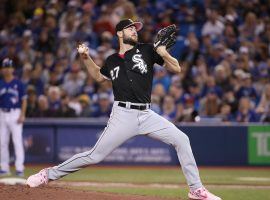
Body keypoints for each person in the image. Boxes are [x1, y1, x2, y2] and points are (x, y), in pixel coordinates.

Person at [26, 19, 221, 200]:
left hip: (147, 114)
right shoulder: (112, 60)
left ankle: (196, 189)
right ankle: (47, 174)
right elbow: (98, 76)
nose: (134, 30)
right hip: (123, 115)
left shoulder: (147, 50)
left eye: (135, 28)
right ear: (119, 33)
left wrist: (163, 53)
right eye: (130, 28)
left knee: (182, 139)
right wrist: (85, 58)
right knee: (95, 156)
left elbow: (177, 68)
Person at [0, 58, 27, 177]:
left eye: (9, 67)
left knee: (17, 141)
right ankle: (4, 168)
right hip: (2, 113)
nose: (7, 69)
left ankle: (19, 168)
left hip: (15, 113)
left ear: (13, 69)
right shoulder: (0, 83)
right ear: (2, 69)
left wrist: (22, 114)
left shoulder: (18, 83)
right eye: (5, 67)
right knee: (2, 142)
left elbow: (24, 100)